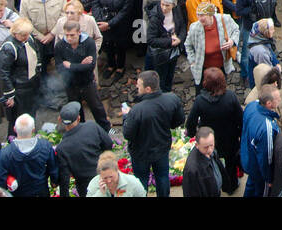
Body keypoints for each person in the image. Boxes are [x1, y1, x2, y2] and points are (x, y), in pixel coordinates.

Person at [122, 70, 186, 198]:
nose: (136, 87)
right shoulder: (171, 99)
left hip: (141, 153)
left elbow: (128, 134)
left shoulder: (136, 110)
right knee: (162, 177)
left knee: (141, 181)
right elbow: (179, 120)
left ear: (148, 89)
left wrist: (126, 117)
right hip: (162, 148)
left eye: (139, 85)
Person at [0, 114, 59, 197]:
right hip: (41, 192)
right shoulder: (45, 146)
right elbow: (54, 169)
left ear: (14, 129)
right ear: (33, 130)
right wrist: (54, 181)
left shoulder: (5, 154)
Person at [55, 101, 113, 198]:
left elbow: (64, 178)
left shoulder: (62, 148)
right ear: (78, 118)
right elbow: (108, 144)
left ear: (60, 120)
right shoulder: (92, 126)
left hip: (84, 187)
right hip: (104, 176)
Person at [241, 84, 282, 197]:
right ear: (269, 103)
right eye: (277, 99)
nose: (280, 100)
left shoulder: (251, 106)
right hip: (259, 169)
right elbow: (266, 158)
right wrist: (269, 179)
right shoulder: (267, 128)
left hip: (248, 157)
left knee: (250, 186)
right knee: (260, 192)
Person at [182, 126, 229, 197]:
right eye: (206, 147)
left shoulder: (209, 150)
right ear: (197, 145)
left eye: (211, 145)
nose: (210, 150)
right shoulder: (192, 170)